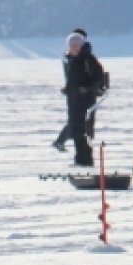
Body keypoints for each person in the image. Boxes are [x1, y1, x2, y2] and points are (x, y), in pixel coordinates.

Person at [52, 30, 105, 167]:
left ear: (82, 45)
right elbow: (72, 79)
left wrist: (87, 88)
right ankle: (80, 159)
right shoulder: (69, 59)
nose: (74, 48)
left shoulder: (89, 59)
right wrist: (68, 89)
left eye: (77, 46)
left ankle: (86, 160)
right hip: (73, 100)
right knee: (75, 130)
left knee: (85, 129)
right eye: (71, 46)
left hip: (86, 100)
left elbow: (99, 78)